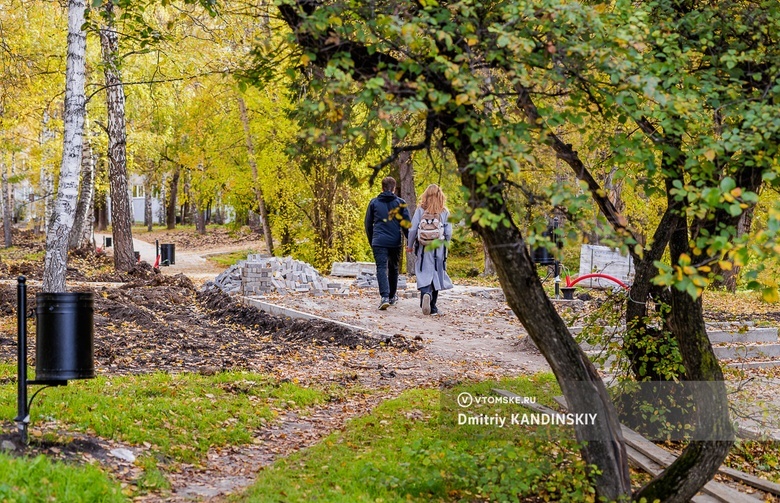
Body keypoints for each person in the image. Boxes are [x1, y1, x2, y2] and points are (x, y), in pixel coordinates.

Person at [365, 176, 411, 310]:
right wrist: (410, 241)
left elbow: (368, 223)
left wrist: (372, 239)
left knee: (381, 267)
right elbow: (406, 225)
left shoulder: (374, 203)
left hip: (379, 240)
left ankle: (384, 297)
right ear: (394, 188)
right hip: (395, 241)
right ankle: (391, 297)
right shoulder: (400, 203)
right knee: (394, 268)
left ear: (382, 188)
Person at [407, 184, 453, 315]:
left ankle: (426, 294)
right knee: (437, 273)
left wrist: (410, 246)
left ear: (426, 195)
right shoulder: (444, 211)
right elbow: (448, 232)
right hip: (439, 247)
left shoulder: (420, 210)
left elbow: (413, 229)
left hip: (423, 247)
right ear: (440, 196)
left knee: (424, 272)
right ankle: (433, 306)